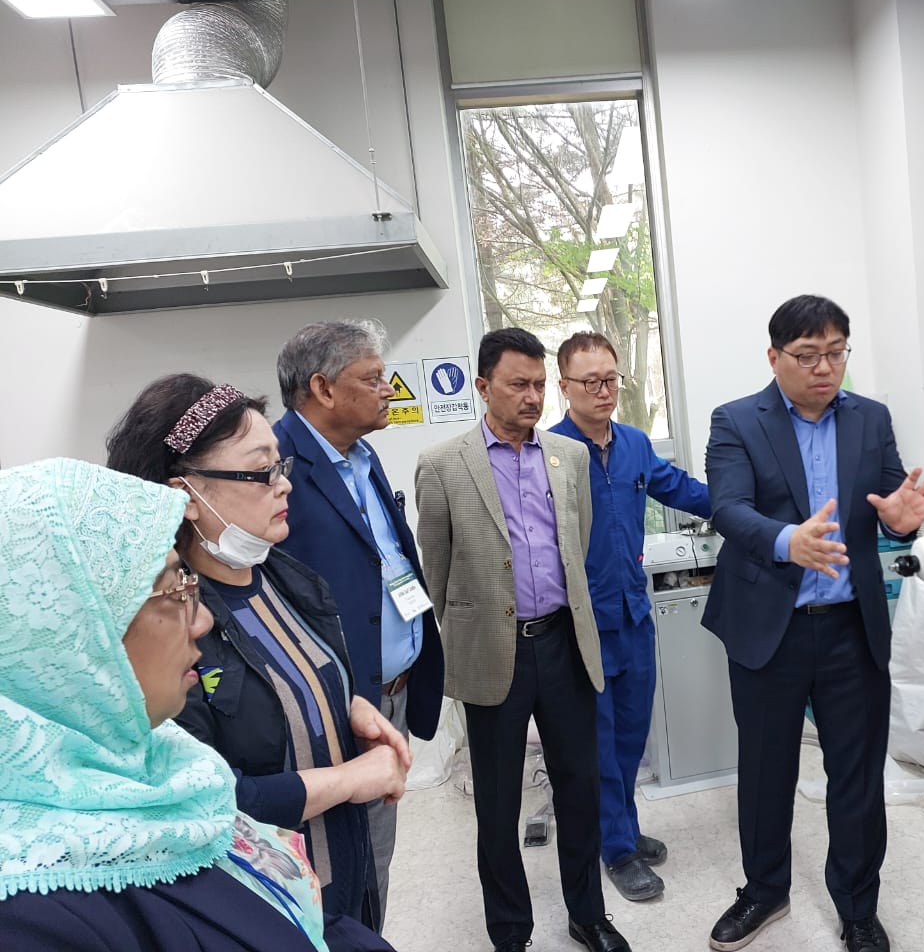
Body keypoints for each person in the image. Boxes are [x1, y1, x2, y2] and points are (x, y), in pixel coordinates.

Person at [0, 457, 394, 952]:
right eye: (173, 590)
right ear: (69, 634)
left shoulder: (166, 764)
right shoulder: (33, 913)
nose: (203, 620)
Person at [106, 374, 410, 932]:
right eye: (261, 471)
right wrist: (350, 779)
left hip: (342, 865)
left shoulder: (288, 579)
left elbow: (294, 678)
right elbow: (204, 798)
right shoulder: (166, 629)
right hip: (263, 899)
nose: (283, 485)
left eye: (281, 465)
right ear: (185, 496)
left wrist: (347, 703)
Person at [702, 295, 924, 952]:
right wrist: (789, 540)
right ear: (774, 357)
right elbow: (728, 508)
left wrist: (903, 522)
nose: (825, 368)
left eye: (836, 354)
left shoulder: (870, 418)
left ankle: (858, 907)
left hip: (850, 628)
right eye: (808, 356)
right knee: (766, 770)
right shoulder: (736, 420)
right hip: (770, 627)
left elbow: (892, 504)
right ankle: (764, 891)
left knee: (857, 776)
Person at [414, 328, 631, 952]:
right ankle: (510, 931)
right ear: (484, 387)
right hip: (492, 651)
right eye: (518, 385)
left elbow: (577, 545)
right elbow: (436, 569)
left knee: (579, 789)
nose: (532, 397)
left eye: (539, 385)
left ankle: (588, 914)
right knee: (498, 800)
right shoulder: (443, 464)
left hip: (563, 644)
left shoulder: (568, 457)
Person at [275, 319, 446, 922]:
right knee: (340, 871)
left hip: (390, 692)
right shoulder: (278, 469)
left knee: (376, 856)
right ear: (323, 388)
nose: (388, 390)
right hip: (335, 709)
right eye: (373, 379)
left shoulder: (362, 455)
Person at [549, 331, 711, 902]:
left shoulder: (636, 444)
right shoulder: (551, 453)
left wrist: (741, 502)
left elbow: (680, 489)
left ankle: (624, 827)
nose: (603, 390)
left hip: (634, 615)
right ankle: (616, 849)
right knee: (598, 740)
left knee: (631, 733)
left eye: (610, 379)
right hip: (583, 623)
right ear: (564, 386)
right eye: (589, 381)